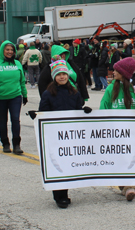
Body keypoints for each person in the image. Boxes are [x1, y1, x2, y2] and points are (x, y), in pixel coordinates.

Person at [27, 58, 92, 209]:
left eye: (64, 74)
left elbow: (77, 112)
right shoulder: (48, 93)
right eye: (59, 74)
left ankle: (65, 192)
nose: (62, 77)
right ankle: (59, 195)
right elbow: (44, 112)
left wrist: (85, 111)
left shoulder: (74, 92)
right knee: (58, 163)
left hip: (70, 134)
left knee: (67, 164)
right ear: (54, 76)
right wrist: (36, 115)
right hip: (55, 136)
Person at [99, 57, 135, 201]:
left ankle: (130, 186)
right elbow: (104, 107)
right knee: (118, 158)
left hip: (132, 133)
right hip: (115, 132)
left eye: (117, 70)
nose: (113, 72)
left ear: (124, 73)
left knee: (131, 158)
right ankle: (124, 185)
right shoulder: (111, 88)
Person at [0, 40, 28, 154]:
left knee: (15, 120)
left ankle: (17, 144)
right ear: (2, 50)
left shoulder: (17, 64)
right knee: (3, 121)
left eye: (12, 50)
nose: (10, 52)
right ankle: (5, 143)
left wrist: (25, 95)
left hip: (15, 96)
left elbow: (22, 81)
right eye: (7, 49)